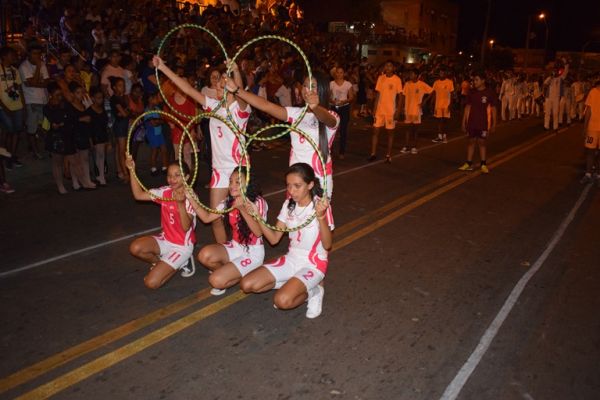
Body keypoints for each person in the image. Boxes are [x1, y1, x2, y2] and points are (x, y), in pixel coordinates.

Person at [153, 56, 249, 244]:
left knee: (242, 216)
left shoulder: (241, 109)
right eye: (218, 86)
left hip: (239, 169)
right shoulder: (213, 106)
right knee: (215, 219)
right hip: (219, 171)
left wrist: (236, 71)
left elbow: (241, 92)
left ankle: (245, 249)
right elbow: (188, 89)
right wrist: (163, 67)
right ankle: (223, 250)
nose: (218, 89)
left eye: (222, 86)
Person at [225, 70, 339, 202]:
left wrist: (315, 107)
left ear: (322, 90)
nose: (307, 89)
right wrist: (237, 90)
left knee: (318, 215)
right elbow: (266, 106)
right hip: (295, 180)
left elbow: (328, 119)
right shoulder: (296, 113)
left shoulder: (332, 116)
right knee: (293, 214)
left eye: (313, 86)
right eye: (305, 85)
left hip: (319, 178)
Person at [240, 163, 333, 319]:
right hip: (292, 258)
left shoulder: (320, 206)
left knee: (282, 301)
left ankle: (315, 291)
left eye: (297, 186)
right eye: (289, 186)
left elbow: (328, 245)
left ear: (310, 185)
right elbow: (274, 239)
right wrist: (257, 216)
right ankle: (294, 283)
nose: (292, 191)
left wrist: (321, 217)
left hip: (314, 263)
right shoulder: (288, 205)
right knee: (247, 285)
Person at [187, 167, 268, 295]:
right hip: (234, 246)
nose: (232, 185)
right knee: (204, 255)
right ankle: (232, 271)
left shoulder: (258, 202)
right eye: (230, 181)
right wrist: (191, 198)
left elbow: (258, 232)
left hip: (252, 252)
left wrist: (242, 209)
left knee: (215, 280)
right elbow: (207, 218)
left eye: (237, 182)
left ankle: (243, 272)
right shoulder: (228, 201)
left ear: (247, 184)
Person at [127, 156, 197, 289]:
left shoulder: (191, 197)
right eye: (169, 175)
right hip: (165, 240)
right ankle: (161, 263)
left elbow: (185, 227)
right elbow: (138, 195)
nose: (172, 179)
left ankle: (182, 262)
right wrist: (131, 170)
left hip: (181, 247)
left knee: (151, 283)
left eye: (177, 175)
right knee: (135, 248)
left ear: (187, 177)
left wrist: (180, 204)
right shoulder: (164, 192)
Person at [459, 70, 498, 174]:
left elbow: (494, 109)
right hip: (472, 122)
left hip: (483, 123)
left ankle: (483, 164)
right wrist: (463, 122)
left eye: (476, 80)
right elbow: (467, 107)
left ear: (483, 80)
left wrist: (494, 124)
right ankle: (468, 163)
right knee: (471, 142)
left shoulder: (489, 93)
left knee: (482, 143)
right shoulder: (471, 92)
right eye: (473, 80)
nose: (474, 82)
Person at [19, 43, 50, 160]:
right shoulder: (24, 67)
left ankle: (43, 147)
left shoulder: (42, 64)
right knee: (32, 129)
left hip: (44, 100)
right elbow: (31, 83)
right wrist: (37, 67)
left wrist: (35, 83)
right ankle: (35, 150)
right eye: (34, 53)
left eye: (39, 53)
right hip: (31, 102)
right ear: (29, 54)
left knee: (44, 127)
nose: (37, 56)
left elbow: (46, 82)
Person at [368, 61, 403, 163]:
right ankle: (373, 154)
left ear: (393, 68)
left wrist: (398, 111)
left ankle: (388, 155)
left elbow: (400, 97)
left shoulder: (397, 80)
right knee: (375, 131)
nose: (388, 67)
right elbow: (378, 94)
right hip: (380, 110)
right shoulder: (381, 78)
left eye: (390, 66)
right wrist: (374, 108)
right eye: (386, 66)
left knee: (390, 133)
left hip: (390, 111)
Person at [0, 46, 26, 170]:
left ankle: (12, 156)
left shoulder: (15, 70)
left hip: (17, 105)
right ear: (4, 56)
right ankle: (6, 156)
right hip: (3, 107)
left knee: (16, 132)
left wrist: (23, 105)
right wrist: (4, 108)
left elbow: (19, 88)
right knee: (9, 131)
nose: (14, 57)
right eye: (11, 55)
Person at [401, 70, 432, 155]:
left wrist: (424, 101)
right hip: (408, 110)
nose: (410, 75)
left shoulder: (421, 84)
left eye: (412, 74)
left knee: (415, 129)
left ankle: (414, 147)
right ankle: (406, 146)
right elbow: (403, 95)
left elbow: (432, 91)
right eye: (410, 73)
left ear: (417, 75)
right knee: (407, 129)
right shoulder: (407, 84)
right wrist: (402, 107)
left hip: (416, 110)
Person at [329, 66, 354, 159]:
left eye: (341, 72)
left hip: (344, 108)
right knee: (332, 130)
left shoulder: (348, 84)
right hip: (334, 108)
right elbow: (328, 96)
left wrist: (344, 101)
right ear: (335, 73)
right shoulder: (331, 83)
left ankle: (341, 152)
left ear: (344, 73)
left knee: (343, 130)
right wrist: (332, 101)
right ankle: (330, 150)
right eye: (337, 72)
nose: (339, 74)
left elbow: (351, 97)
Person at [86, 87, 109, 185]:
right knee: (97, 155)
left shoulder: (102, 110)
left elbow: (105, 125)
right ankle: (98, 176)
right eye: (98, 98)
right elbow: (88, 127)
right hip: (94, 136)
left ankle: (101, 176)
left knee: (101, 155)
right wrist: (90, 140)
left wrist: (107, 139)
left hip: (102, 135)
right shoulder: (89, 111)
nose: (100, 100)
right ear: (93, 98)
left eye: (101, 98)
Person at [580, 75, 600, 186]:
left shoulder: (593, 92)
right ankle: (589, 174)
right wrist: (585, 127)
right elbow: (588, 111)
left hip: (594, 128)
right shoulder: (593, 92)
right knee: (590, 152)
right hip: (592, 128)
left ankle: (597, 174)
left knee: (595, 153)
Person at [110, 77, 130, 182]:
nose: (123, 87)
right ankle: (125, 173)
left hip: (123, 124)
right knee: (122, 151)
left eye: (123, 85)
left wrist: (125, 112)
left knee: (119, 149)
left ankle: (120, 171)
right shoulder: (115, 99)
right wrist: (125, 111)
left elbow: (126, 112)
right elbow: (124, 113)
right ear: (114, 87)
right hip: (120, 125)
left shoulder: (123, 97)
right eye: (120, 85)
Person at [544, 59, 569, 132]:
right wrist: (551, 78)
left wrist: (566, 64)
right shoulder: (549, 78)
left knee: (555, 113)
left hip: (556, 98)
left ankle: (555, 127)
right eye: (554, 71)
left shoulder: (560, 78)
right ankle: (546, 126)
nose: (555, 72)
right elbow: (545, 84)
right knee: (547, 112)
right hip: (548, 98)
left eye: (556, 71)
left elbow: (565, 72)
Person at [432, 68, 454, 144]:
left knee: (445, 121)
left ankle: (444, 136)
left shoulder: (450, 82)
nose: (441, 74)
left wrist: (450, 104)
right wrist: (432, 102)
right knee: (439, 121)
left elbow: (452, 93)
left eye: (443, 72)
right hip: (438, 105)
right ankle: (440, 137)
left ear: (445, 73)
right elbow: (434, 93)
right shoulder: (436, 82)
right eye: (440, 73)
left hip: (446, 105)